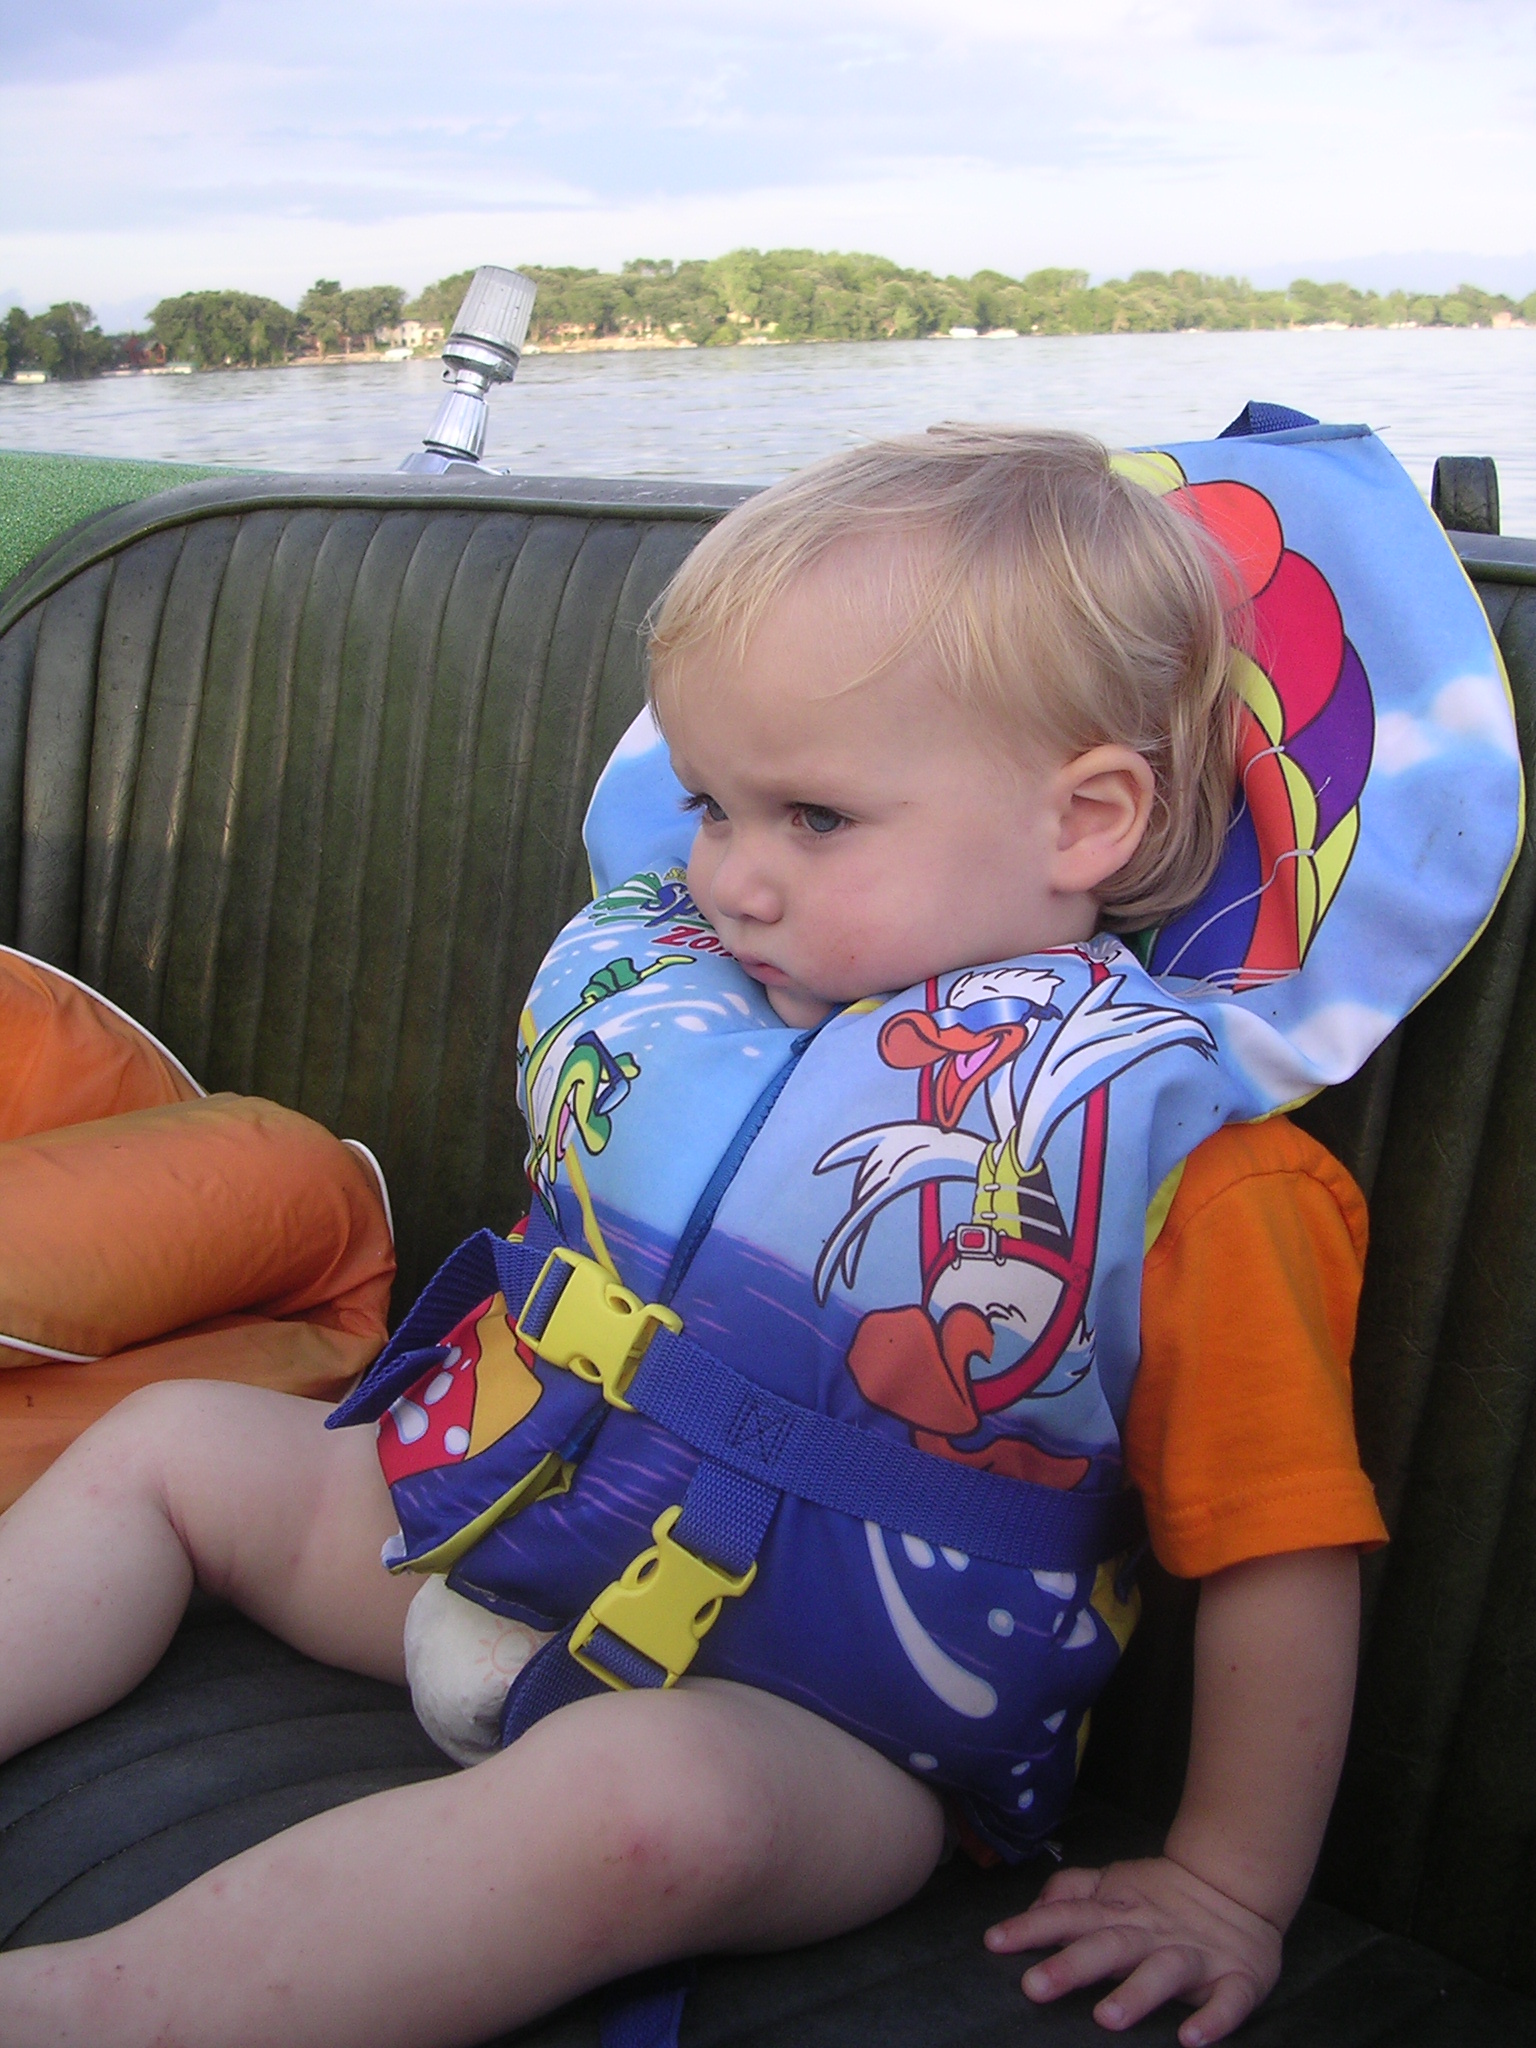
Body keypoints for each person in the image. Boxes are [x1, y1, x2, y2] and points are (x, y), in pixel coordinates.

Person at [0, 427, 1385, 2048]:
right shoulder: (675, 1016)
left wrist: (1226, 1883)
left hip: (818, 1728)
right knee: (171, 1447)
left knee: (652, 1804)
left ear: (1084, 820)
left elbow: (1283, 1549)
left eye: (814, 818)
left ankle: (85, 2014)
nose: (728, 878)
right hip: (491, 1544)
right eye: (711, 806)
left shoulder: (1189, 1176)